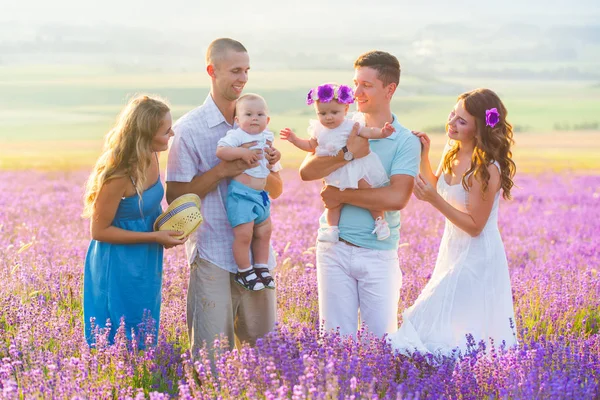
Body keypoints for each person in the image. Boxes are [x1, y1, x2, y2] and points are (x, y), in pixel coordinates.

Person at [165, 38, 282, 359]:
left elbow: (276, 190)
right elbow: (174, 196)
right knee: (210, 357)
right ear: (211, 71)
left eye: (246, 70)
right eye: (234, 71)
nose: (242, 78)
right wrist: (223, 170)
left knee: (266, 354)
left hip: (258, 260)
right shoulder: (188, 130)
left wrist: (268, 167)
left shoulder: (257, 122)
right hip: (212, 253)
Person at [299, 51, 421, 338]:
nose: (356, 92)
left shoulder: (405, 141)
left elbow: (396, 199)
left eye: (366, 85)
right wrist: (348, 153)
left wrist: (341, 197)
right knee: (334, 340)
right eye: (355, 83)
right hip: (333, 248)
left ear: (389, 89)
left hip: (377, 254)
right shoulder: (340, 125)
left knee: (380, 342)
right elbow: (307, 171)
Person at [388, 88, 518, 356]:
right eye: (452, 114)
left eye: (461, 121)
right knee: (451, 323)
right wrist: (424, 156)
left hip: (477, 256)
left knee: (447, 318)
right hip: (452, 250)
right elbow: (438, 185)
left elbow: (475, 226)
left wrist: (434, 200)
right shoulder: (453, 152)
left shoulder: (486, 168)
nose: (451, 123)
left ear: (479, 128)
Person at [82, 95, 186, 347]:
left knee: (144, 322)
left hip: (145, 257)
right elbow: (98, 231)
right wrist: (154, 237)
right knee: (115, 331)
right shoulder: (119, 174)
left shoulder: (152, 156)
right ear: (146, 134)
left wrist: (170, 227)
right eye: (166, 130)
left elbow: (148, 208)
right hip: (116, 262)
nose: (172, 134)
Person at [280, 83, 395, 242]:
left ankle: (380, 222)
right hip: (334, 170)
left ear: (346, 110)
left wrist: (382, 132)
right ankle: (332, 229)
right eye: (322, 113)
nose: (328, 117)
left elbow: (368, 132)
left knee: (367, 192)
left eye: (334, 112)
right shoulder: (319, 129)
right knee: (332, 203)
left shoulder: (351, 125)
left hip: (355, 169)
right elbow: (310, 146)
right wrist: (294, 140)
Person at [216, 93, 277, 291]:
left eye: (260, 115)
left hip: (261, 195)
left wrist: (276, 156)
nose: (254, 118)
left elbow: (273, 158)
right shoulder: (237, 136)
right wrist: (242, 152)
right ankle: (244, 271)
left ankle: (261, 267)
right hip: (241, 195)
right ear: (237, 120)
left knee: (265, 231)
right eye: (248, 114)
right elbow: (221, 151)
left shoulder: (267, 136)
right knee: (244, 234)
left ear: (267, 120)